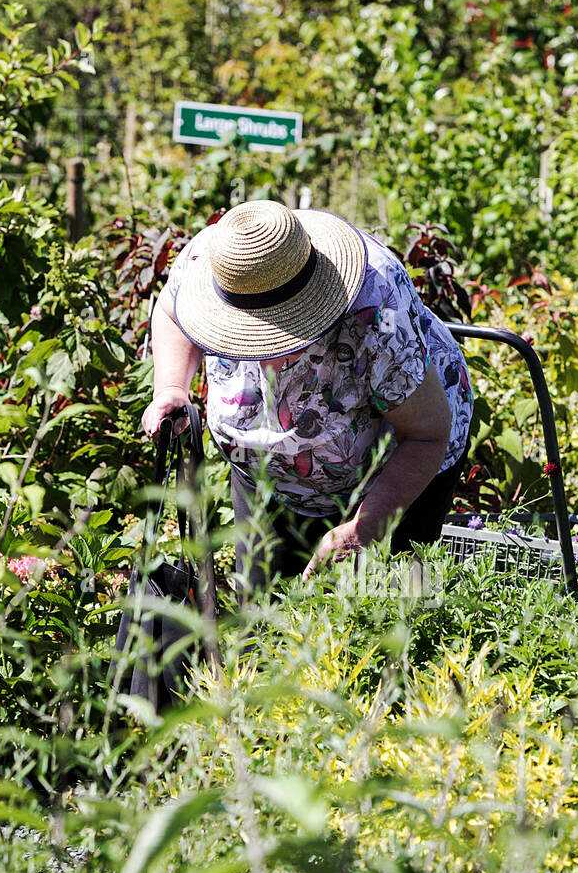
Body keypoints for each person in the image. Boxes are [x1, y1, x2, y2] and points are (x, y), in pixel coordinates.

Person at [142, 199, 473, 594]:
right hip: (267, 479)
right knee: (262, 619)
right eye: (240, 334)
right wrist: (171, 388)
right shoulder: (219, 260)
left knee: (383, 615)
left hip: (392, 473)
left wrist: (365, 527)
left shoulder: (375, 308)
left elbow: (426, 434)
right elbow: (170, 312)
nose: (255, 351)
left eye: (270, 337)